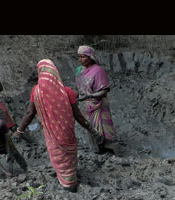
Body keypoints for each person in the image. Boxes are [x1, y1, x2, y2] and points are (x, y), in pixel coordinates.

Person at [16, 59, 94, 191]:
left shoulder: (36, 92)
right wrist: (90, 128)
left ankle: (66, 184)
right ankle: (72, 182)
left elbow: (29, 113)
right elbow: (78, 115)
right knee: (69, 158)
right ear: (55, 73)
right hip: (67, 135)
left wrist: (20, 130)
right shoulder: (66, 92)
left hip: (52, 136)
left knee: (59, 159)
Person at [73, 46, 116, 153]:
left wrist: (90, 96)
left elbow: (104, 90)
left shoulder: (98, 71)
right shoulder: (79, 70)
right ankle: (97, 149)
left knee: (103, 128)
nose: (80, 59)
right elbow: (78, 89)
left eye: (83, 57)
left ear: (90, 57)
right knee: (90, 128)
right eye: (79, 57)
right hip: (85, 106)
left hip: (98, 104)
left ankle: (109, 147)